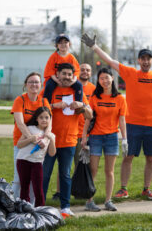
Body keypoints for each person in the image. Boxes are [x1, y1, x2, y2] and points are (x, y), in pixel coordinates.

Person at [82, 33, 152, 201]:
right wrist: (94, 47)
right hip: (132, 124)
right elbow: (110, 61)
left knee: (151, 158)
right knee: (128, 157)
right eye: (142, 59)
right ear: (138, 61)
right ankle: (123, 189)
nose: (145, 61)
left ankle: (147, 189)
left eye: (148, 59)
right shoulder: (130, 73)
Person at [42, 63, 93, 217]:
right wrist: (54, 105)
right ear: (57, 75)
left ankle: (65, 207)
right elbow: (40, 109)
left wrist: (82, 105)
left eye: (69, 74)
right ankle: (40, 205)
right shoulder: (51, 89)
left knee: (65, 174)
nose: (66, 77)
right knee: (45, 174)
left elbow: (90, 115)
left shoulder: (77, 91)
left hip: (69, 141)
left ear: (73, 76)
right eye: (63, 74)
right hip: (50, 140)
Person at [81, 67, 127, 212]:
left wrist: (125, 139)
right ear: (98, 81)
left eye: (107, 77)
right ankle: (89, 201)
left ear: (112, 78)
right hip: (95, 137)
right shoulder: (94, 98)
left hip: (112, 137)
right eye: (101, 78)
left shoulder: (120, 98)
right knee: (93, 170)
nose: (105, 81)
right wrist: (84, 137)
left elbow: (122, 120)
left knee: (110, 171)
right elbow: (88, 119)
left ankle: (108, 201)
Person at [52, 63, 96, 201]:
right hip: (65, 133)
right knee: (63, 167)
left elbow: (91, 112)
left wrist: (82, 106)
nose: (85, 72)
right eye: (82, 70)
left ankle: (81, 193)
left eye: (88, 70)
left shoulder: (92, 89)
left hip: (83, 133)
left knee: (81, 165)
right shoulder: (71, 88)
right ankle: (59, 193)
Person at [11, 72, 51, 199]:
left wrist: (44, 140)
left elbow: (49, 124)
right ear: (26, 85)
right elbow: (20, 123)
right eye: (31, 82)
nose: (34, 84)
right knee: (19, 178)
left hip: (39, 146)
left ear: (41, 85)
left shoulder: (44, 101)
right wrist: (31, 139)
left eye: (36, 82)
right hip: (22, 144)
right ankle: (14, 205)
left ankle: (32, 207)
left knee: (35, 179)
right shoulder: (20, 100)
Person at [16, 106, 56, 207]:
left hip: (37, 163)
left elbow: (51, 153)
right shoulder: (30, 129)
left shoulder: (50, 135)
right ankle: (25, 209)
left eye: (46, 117)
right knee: (24, 187)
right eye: (41, 117)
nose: (44, 120)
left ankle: (40, 211)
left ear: (50, 119)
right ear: (36, 119)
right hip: (23, 160)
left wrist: (52, 140)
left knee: (38, 188)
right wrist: (30, 139)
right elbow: (19, 144)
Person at [43, 33, 83, 104]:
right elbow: (50, 71)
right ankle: (46, 105)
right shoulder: (53, 57)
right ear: (57, 45)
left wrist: (73, 81)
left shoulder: (72, 58)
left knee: (79, 85)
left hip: (68, 79)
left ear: (69, 44)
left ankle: (79, 103)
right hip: (55, 78)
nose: (63, 44)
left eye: (65, 42)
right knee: (49, 85)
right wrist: (58, 81)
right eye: (60, 42)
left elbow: (76, 71)